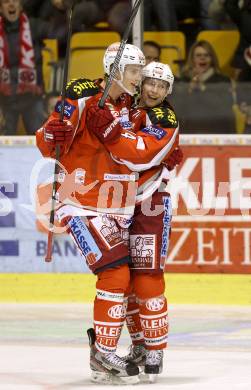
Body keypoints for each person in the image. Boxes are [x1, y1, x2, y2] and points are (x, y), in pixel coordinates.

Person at [36, 42, 180, 384]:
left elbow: (143, 147)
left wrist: (167, 155)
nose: (140, 79)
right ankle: (103, 352)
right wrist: (48, 134)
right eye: (133, 71)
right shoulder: (83, 95)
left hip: (117, 207)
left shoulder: (131, 106)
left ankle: (110, 352)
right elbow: (48, 139)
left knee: (127, 279)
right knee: (116, 276)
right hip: (81, 202)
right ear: (115, 69)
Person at [119, 62, 182, 381]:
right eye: (150, 83)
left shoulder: (165, 118)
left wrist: (109, 133)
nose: (154, 90)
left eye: (161, 85)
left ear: (169, 91)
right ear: (140, 83)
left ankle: (155, 348)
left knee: (147, 276)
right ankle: (139, 344)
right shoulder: (127, 107)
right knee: (125, 280)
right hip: (118, 203)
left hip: (151, 204)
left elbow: (135, 156)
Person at [0, 0, 47, 135]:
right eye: (6, 1)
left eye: (15, 0)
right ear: (1, 8)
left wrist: (62, 8)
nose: (11, 4)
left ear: (20, 5)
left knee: (41, 142)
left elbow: (60, 32)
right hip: (4, 99)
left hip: (32, 97)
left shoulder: (34, 26)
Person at [171, 40, 236, 133]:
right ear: (192, 59)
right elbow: (175, 109)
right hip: (188, 133)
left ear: (212, 59)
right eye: (198, 55)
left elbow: (225, 107)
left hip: (217, 132)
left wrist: (202, 87)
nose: (202, 58)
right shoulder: (183, 80)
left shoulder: (223, 80)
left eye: (206, 55)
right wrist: (188, 90)